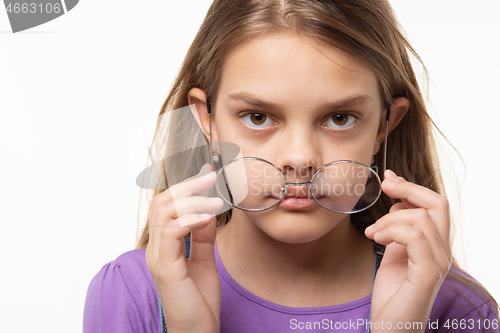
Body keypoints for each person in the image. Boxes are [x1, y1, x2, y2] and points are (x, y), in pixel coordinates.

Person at [83, 1, 499, 332]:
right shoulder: (130, 294)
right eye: (258, 117)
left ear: (383, 127)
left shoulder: (456, 309)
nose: (299, 158)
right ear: (206, 120)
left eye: (339, 118)